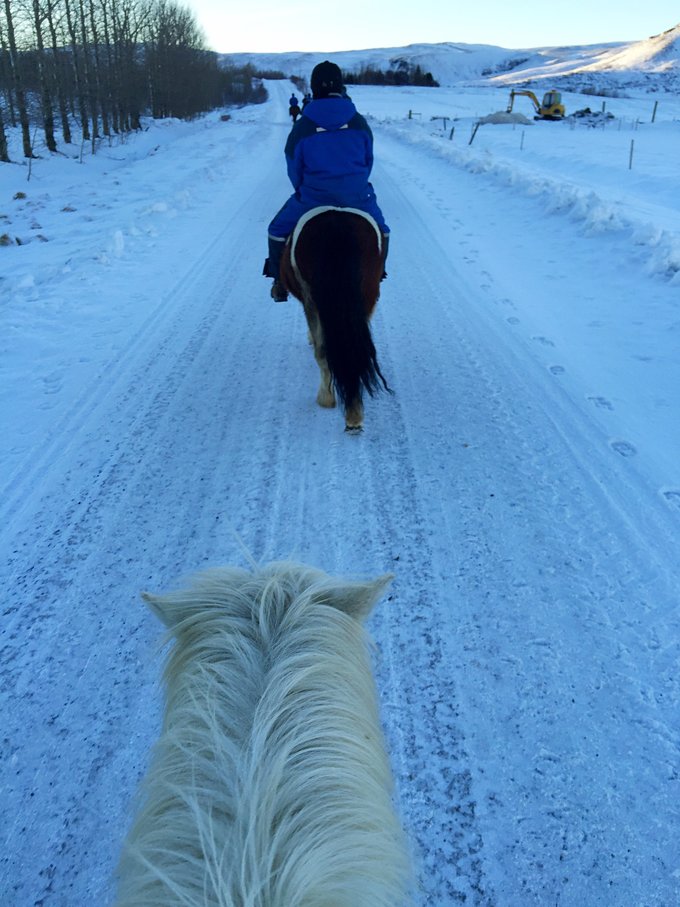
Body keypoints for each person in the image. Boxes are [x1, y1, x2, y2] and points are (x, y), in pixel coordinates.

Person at [264, 60, 390, 302]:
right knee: (382, 230)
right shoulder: (358, 121)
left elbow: (293, 166)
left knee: (277, 230)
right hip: (357, 197)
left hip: (313, 197)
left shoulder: (303, 125)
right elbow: (368, 160)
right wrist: (356, 184)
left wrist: (303, 190)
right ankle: (378, 273)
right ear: (340, 86)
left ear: (314, 88)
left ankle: (279, 281)